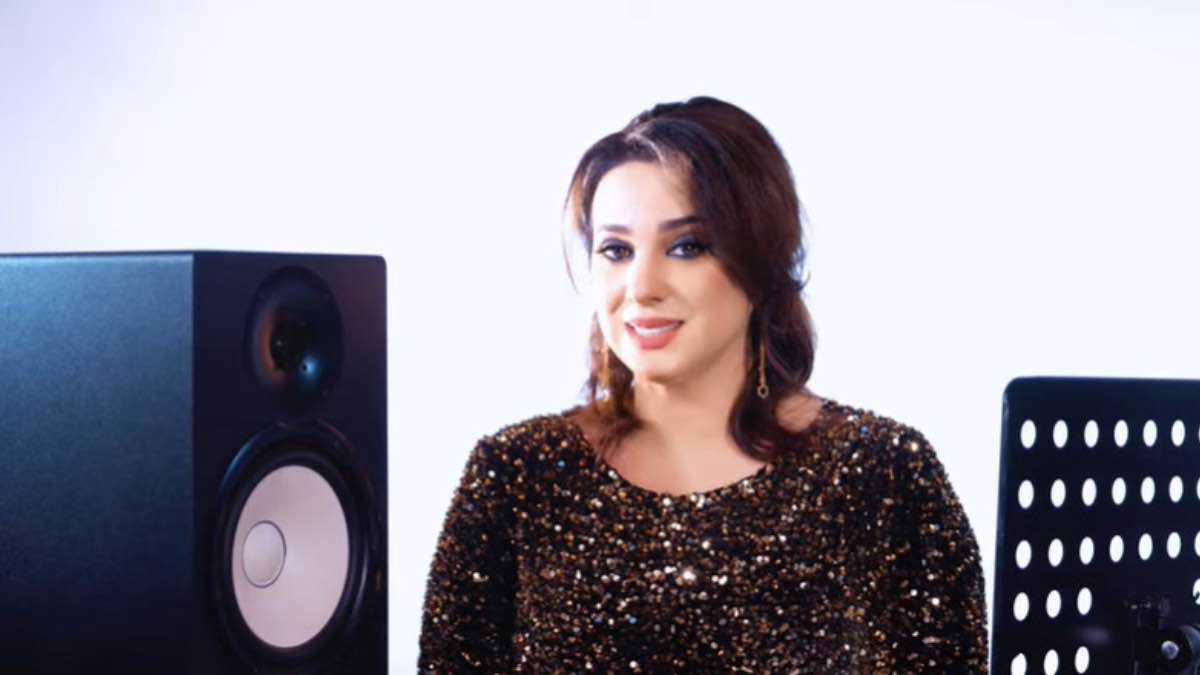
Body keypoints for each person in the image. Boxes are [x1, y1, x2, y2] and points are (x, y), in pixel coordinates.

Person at [417, 96, 988, 673]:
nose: (641, 286)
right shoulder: (517, 474)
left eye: (686, 247)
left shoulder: (880, 471)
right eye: (616, 250)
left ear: (763, 261)